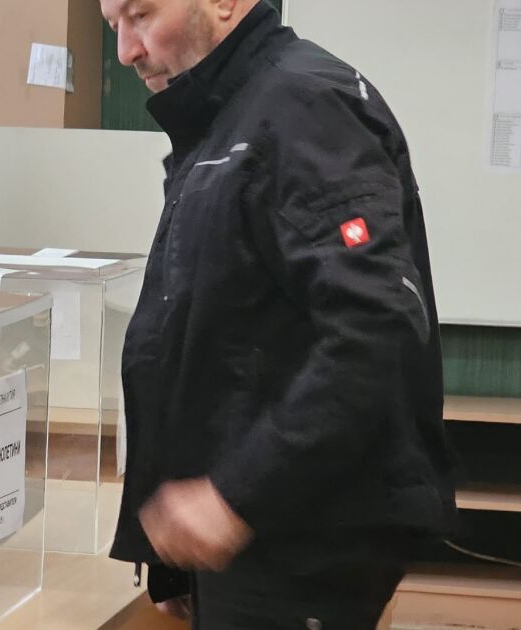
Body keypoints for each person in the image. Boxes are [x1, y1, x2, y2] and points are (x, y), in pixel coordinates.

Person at [99, 0, 457, 627]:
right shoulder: (228, 115)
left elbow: (375, 324)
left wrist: (233, 497)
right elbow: (204, 335)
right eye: (115, 27)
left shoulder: (303, 105)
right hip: (244, 532)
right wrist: (176, 555)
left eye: (142, 14)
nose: (128, 51)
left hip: (300, 536)